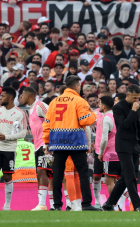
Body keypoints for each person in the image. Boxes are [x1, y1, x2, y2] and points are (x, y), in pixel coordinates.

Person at [42, 76, 99, 211]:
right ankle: (86, 204)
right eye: (79, 86)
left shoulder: (54, 102)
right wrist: (94, 114)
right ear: (76, 87)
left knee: (57, 175)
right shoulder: (79, 101)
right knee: (83, 172)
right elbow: (86, 120)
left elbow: (47, 124)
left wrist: (46, 142)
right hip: (75, 142)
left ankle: (57, 205)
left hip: (57, 142)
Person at [102, 84, 140, 212]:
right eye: (134, 98)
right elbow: (123, 125)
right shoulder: (118, 108)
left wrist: (139, 145)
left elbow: (138, 127)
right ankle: (137, 206)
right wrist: (133, 110)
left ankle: (109, 204)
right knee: (130, 176)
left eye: (138, 98)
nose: (136, 100)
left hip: (135, 146)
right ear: (128, 95)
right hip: (123, 146)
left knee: (125, 177)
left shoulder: (136, 106)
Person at [0, 87, 27, 210]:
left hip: (10, 149)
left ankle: (7, 205)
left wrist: (6, 137)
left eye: (3, 96)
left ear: (10, 98)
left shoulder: (20, 113)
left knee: (8, 176)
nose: (0, 98)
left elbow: (23, 133)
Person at [21, 87, 52, 211]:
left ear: (28, 96)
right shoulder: (31, 108)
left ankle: (43, 204)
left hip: (45, 145)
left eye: (22, 95)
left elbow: (52, 119)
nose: (21, 97)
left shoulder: (40, 105)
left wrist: (48, 142)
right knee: (40, 174)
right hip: (38, 146)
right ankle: (47, 204)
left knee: (43, 172)